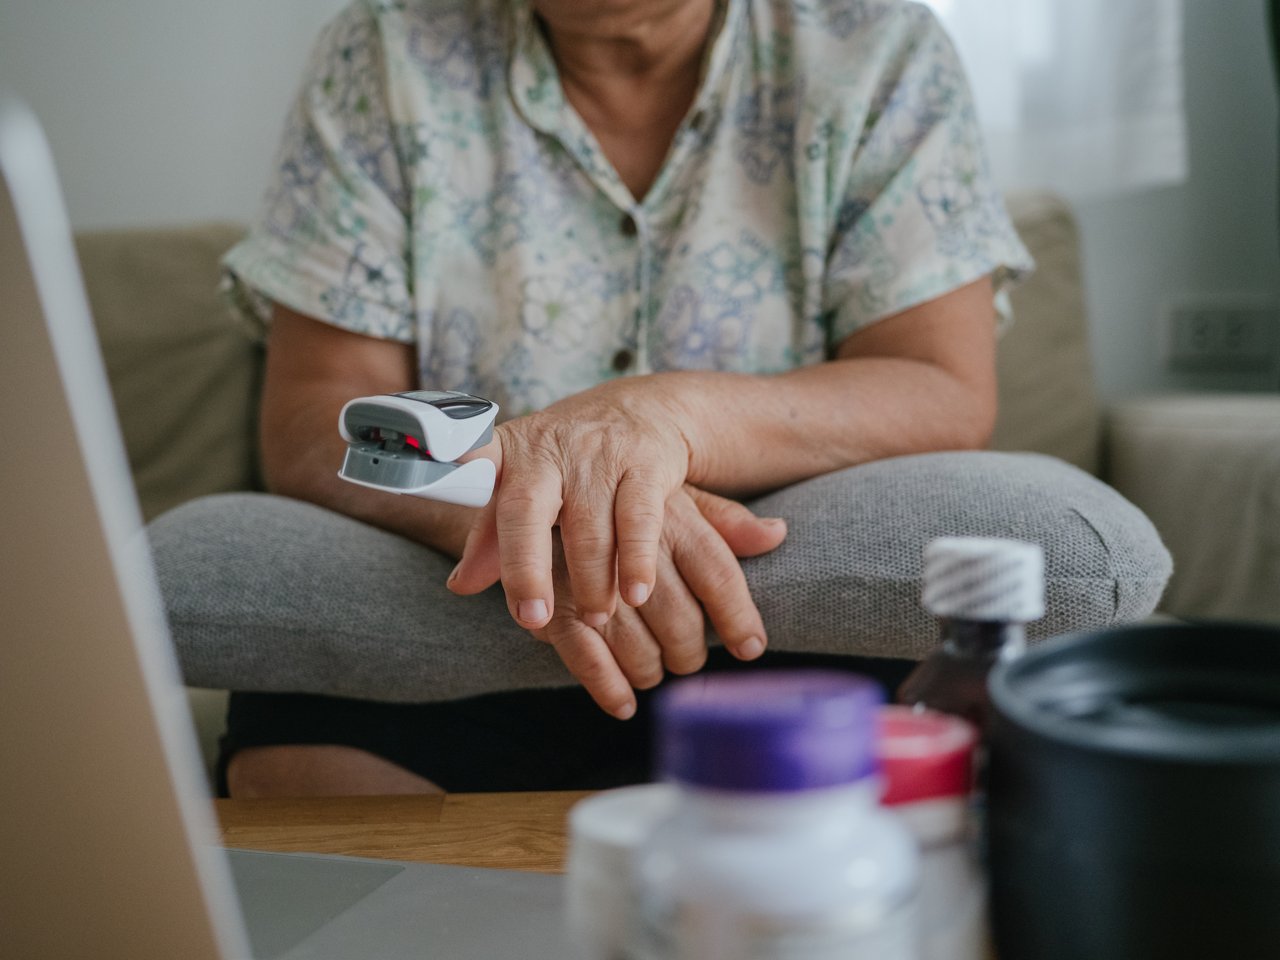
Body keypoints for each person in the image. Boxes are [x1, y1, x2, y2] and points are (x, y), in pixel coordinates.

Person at [206, 0, 1038, 797]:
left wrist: (661, 417)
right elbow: (320, 425)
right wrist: (543, 506)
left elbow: (937, 385)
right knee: (291, 770)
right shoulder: (382, 53)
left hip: (792, 619)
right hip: (466, 612)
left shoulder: (879, 49)